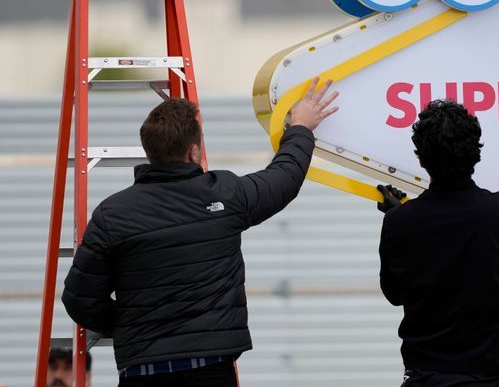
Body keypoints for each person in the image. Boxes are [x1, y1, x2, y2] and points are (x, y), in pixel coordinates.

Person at [62, 78, 339, 386]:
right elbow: (285, 177)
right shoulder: (226, 194)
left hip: (141, 374)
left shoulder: (111, 213)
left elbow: (79, 299)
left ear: (149, 150)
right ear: (193, 152)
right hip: (210, 372)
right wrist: (300, 127)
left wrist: (130, 323)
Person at [377, 99, 499, 387]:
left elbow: (395, 294)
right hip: (491, 372)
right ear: (476, 154)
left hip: (426, 373)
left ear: (421, 159)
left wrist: (401, 215)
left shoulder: (399, 222)